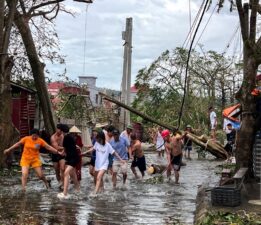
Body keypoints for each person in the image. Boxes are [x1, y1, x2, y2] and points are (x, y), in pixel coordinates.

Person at [82, 131, 125, 195]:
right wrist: (85, 153)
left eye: (98, 139)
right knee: (97, 178)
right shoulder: (97, 143)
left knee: (99, 177)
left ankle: (94, 193)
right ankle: (102, 190)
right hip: (97, 164)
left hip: (104, 164)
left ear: (101, 138)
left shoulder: (108, 145)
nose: (97, 140)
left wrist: (121, 160)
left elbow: (114, 153)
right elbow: (92, 149)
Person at [57, 124, 80, 199]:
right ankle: (78, 190)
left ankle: (65, 193)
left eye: (58, 129)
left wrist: (61, 152)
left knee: (66, 173)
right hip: (70, 157)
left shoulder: (66, 137)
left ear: (61, 130)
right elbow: (67, 148)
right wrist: (61, 153)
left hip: (73, 158)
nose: (57, 130)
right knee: (73, 174)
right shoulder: (69, 136)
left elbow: (65, 148)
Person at [50, 124, 65, 188]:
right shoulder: (53, 137)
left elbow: (63, 145)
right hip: (55, 154)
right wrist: (65, 147)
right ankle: (59, 181)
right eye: (60, 130)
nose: (61, 132)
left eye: (62, 131)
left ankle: (63, 182)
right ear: (57, 129)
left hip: (62, 154)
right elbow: (56, 147)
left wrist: (64, 149)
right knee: (56, 170)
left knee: (62, 168)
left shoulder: (62, 135)